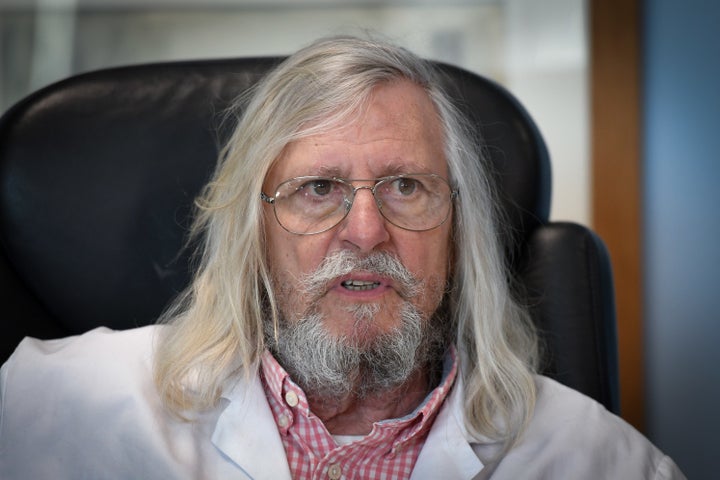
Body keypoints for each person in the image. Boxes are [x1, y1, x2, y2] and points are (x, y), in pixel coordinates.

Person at [0, 35, 684, 480]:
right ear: (254, 234)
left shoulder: (600, 460)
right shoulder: (59, 404)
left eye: (407, 187)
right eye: (318, 189)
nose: (365, 231)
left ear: (458, 233)